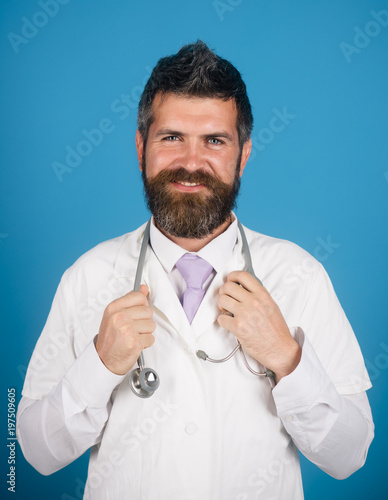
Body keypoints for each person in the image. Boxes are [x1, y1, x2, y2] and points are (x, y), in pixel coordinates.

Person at [17, 41, 374, 500]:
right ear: (141, 146)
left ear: (243, 154)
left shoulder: (300, 276)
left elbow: (349, 456)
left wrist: (287, 358)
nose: (190, 162)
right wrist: (100, 365)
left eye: (214, 141)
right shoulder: (87, 276)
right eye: (171, 138)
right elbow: (30, 450)